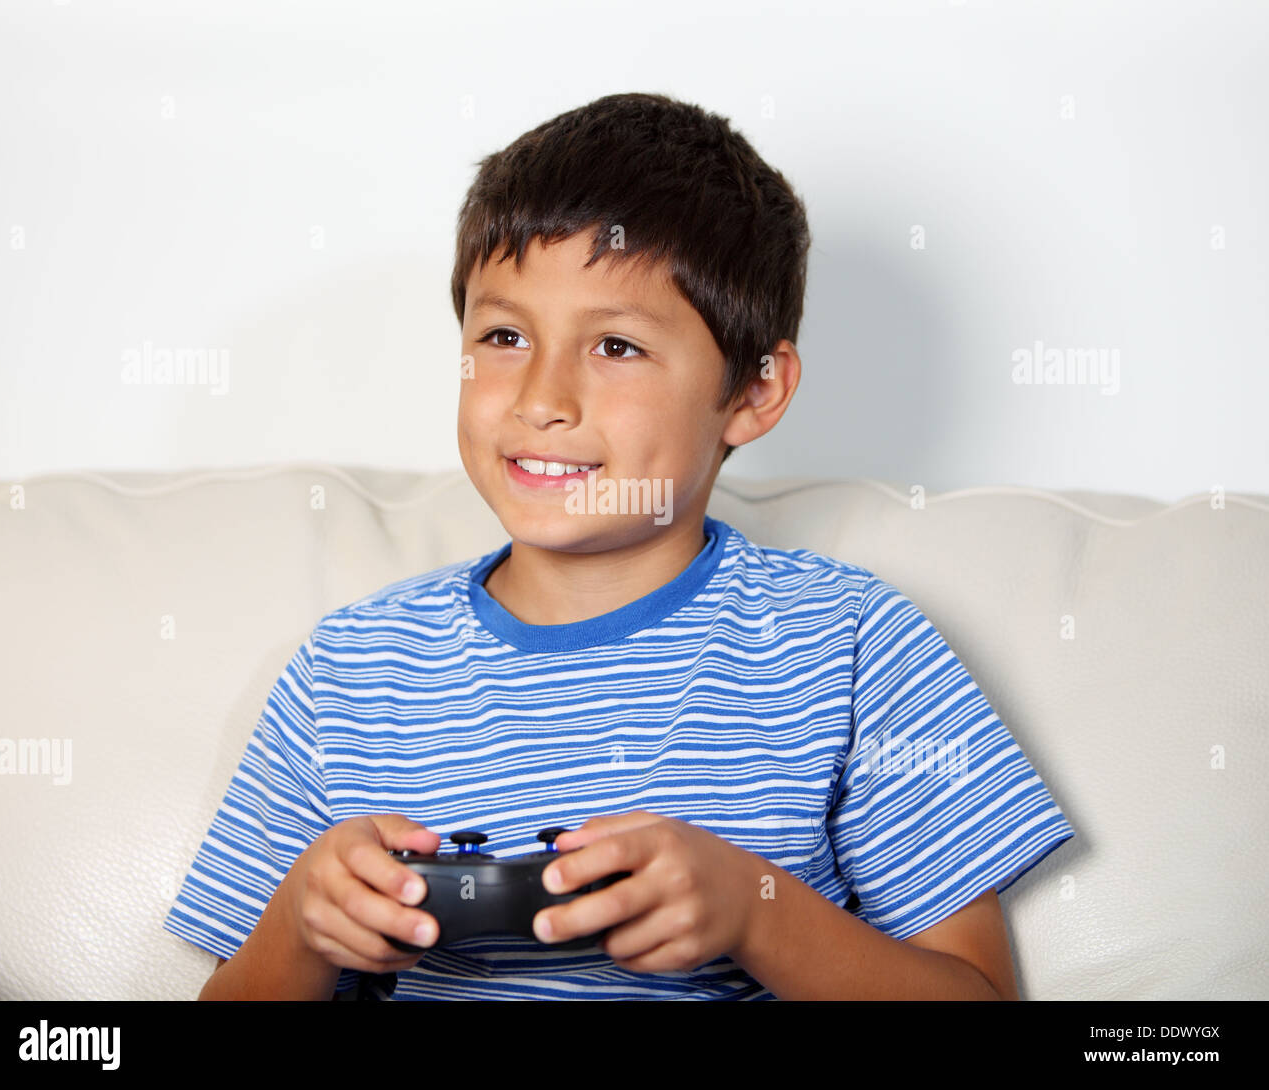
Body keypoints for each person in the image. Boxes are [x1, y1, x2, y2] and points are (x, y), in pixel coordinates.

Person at [163, 92, 1074, 1000]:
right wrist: (301, 929)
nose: (542, 398)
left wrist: (756, 910)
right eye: (506, 336)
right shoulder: (348, 670)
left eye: (616, 346)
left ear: (755, 392)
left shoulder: (852, 645)